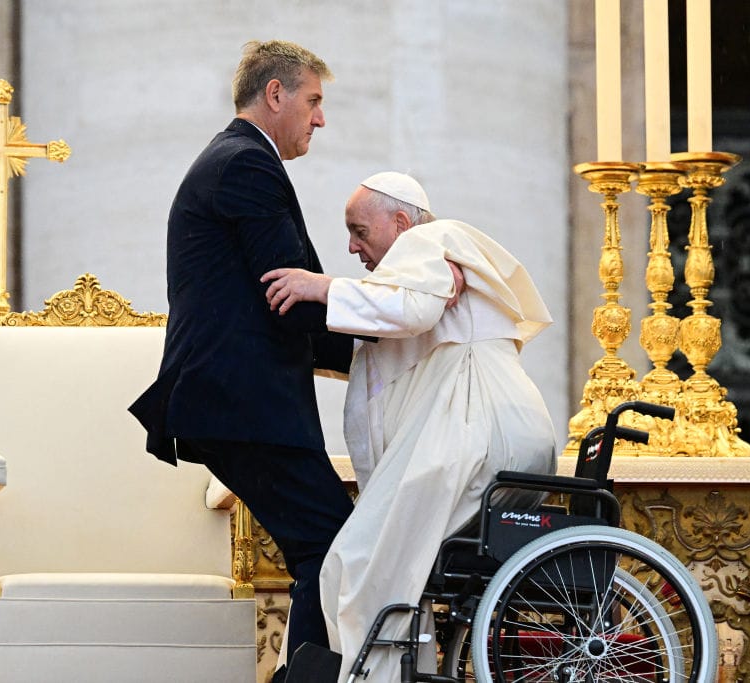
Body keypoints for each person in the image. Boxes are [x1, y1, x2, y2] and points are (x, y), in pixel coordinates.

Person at [262, 172, 558, 682]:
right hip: (498, 435)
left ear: (400, 221)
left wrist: (321, 286)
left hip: (475, 434)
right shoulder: (425, 266)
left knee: (356, 563)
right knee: (390, 570)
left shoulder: (428, 241)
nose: (352, 247)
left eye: (359, 231)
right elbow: (381, 348)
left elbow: (413, 311)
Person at [128, 40, 356, 677]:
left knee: (325, 544)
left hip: (241, 401)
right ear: (276, 94)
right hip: (242, 401)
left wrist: (365, 344)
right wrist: (393, 327)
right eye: (313, 101)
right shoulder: (244, 165)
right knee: (331, 544)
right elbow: (292, 292)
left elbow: (288, 296)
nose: (320, 119)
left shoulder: (239, 160)